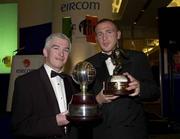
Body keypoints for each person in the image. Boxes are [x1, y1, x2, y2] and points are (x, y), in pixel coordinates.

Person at [85, 18, 160, 139]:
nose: (104, 38)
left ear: (118, 34)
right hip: (102, 133)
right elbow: (84, 104)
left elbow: (155, 92)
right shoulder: (88, 65)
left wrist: (140, 88)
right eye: (100, 34)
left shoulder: (137, 58)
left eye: (109, 32)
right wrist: (98, 99)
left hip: (133, 132)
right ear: (96, 38)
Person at [11, 33, 78, 139]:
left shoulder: (71, 81)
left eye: (66, 50)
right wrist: (56, 121)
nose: (61, 54)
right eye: (56, 48)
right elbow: (19, 126)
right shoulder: (25, 82)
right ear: (45, 52)